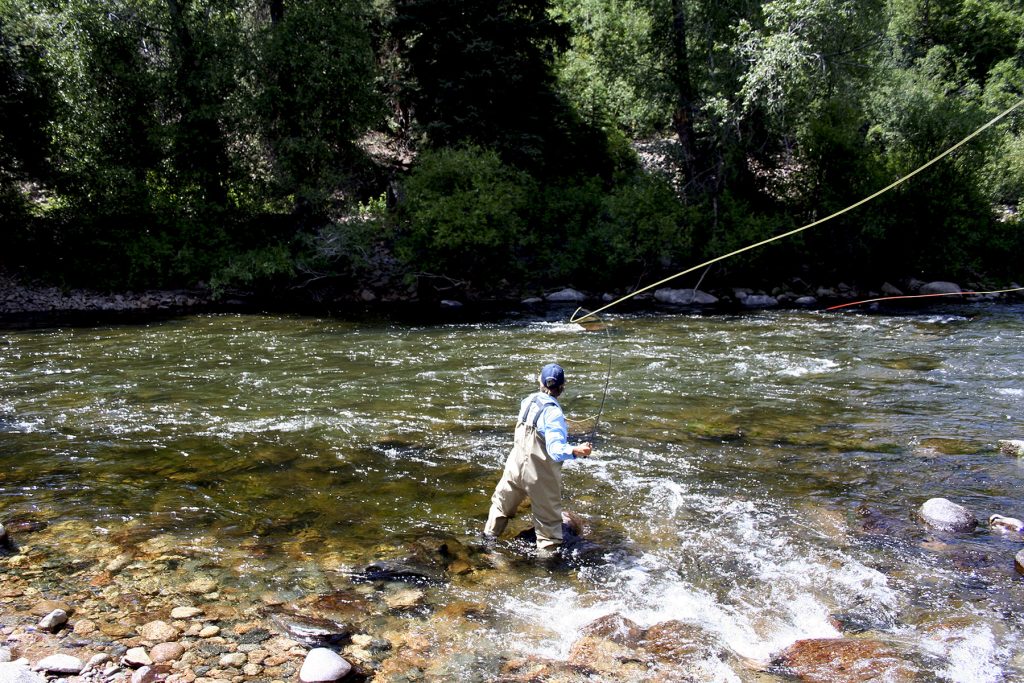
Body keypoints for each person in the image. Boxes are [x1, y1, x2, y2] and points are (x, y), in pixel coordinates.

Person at [484, 363, 593, 556]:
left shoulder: (528, 401)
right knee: (549, 531)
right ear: (562, 387)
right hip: (540, 477)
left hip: (514, 467)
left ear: (539, 381)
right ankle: (544, 572)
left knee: (500, 508)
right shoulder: (554, 414)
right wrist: (577, 450)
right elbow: (556, 450)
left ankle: (484, 549)